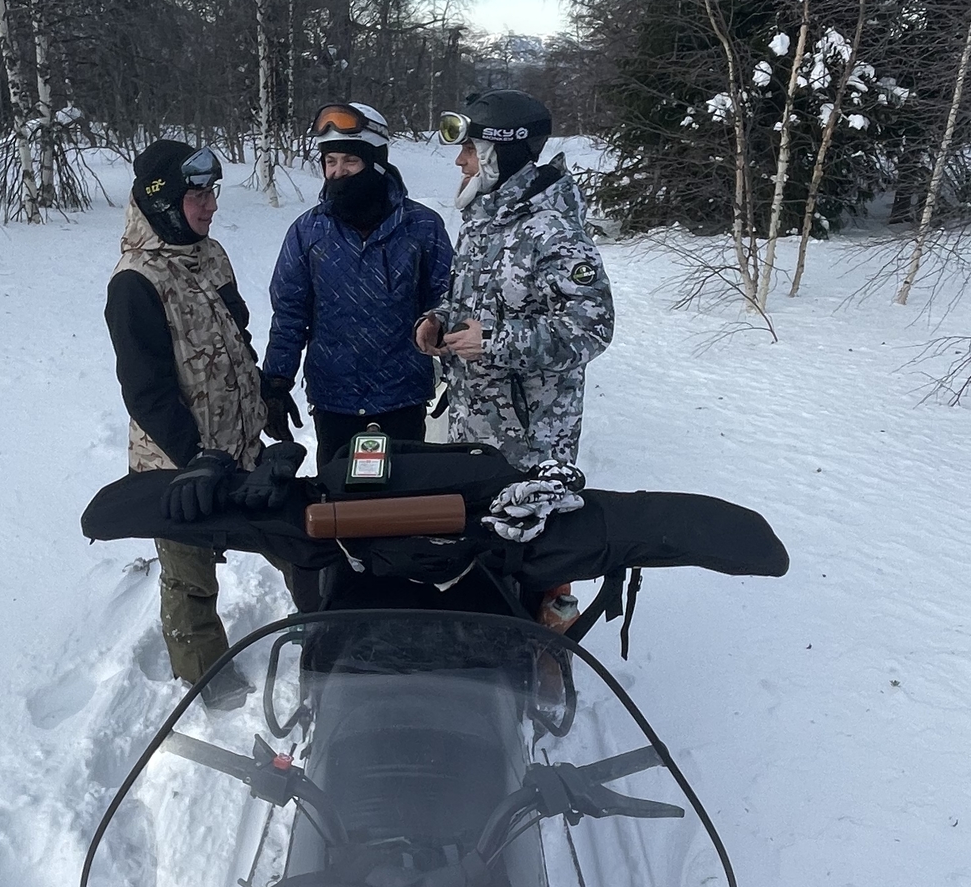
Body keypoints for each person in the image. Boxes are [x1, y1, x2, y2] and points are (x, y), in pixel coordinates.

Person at [416, 89, 614, 626]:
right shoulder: (485, 220)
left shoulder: (553, 231)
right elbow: (475, 303)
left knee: (537, 561)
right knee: (485, 555)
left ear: (500, 153)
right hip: (475, 430)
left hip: (532, 444)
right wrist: (437, 320)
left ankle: (546, 650)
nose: (460, 162)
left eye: (470, 150)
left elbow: (591, 330)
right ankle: (488, 645)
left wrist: (495, 342)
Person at [106, 138, 267, 699]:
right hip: (179, 467)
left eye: (212, 192)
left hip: (241, 449)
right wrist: (195, 459)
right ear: (165, 201)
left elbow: (236, 336)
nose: (212, 205)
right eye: (198, 195)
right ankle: (209, 688)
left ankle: (326, 643)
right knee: (189, 579)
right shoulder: (134, 283)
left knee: (296, 543)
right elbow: (145, 391)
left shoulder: (211, 254)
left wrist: (264, 394)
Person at [261, 101, 455, 473]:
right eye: (330, 161)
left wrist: (453, 369)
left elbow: (447, 299)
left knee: (403, 497)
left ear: (376, 162)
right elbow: (289, 313)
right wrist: (276, 383)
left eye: (350, 161)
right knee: (337, 500)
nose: (338, 172)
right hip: (335, 400)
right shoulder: (308, 231)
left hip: (402, 397)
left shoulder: (421, 226)